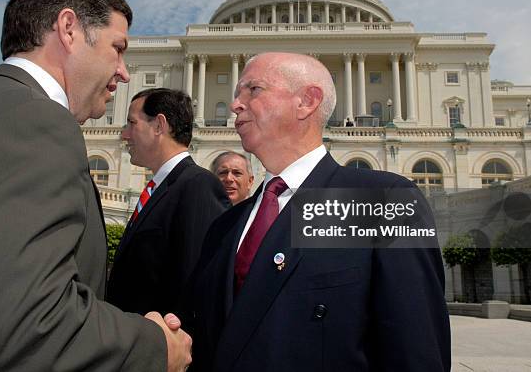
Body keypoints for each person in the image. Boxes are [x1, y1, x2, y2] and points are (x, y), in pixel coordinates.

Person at [0, 0, 191, 372]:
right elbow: (19, 325)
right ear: (68, 29)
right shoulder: (34, 119)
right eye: (117, 48)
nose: (123, 72)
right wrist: (155, 346)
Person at [184, 52, 450, 371]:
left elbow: (416, 352)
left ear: (307, 101)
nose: (235, 104)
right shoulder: (224, 227)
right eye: (237, 93)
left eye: (252, 90)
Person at [107, 88, 230, 316]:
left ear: (158, 126)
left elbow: (196, 284)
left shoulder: (198, 186)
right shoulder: (160, 187)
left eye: (132, 123)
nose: (125, 134)